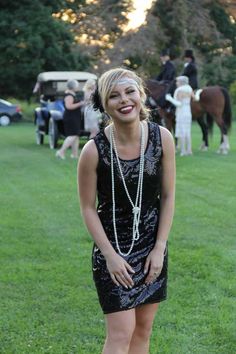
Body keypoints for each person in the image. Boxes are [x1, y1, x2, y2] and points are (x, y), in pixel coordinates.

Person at [78, 67, 175, 353]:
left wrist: (159, 248)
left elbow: (168, 196)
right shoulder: (94, 151)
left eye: (130, 91)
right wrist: (109, 256)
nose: (124, 100)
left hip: (152, 249)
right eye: (114, 96)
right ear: (105, 105)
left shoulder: (163, 138)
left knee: (143, 332)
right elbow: (87, 208)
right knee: (121, 335)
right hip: (113, 251)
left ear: (141, 94)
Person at [55, 79, 84, 160]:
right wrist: (80, 103)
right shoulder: (69, 96)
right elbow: (69, 106)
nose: (78, 87)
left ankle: (74, 155)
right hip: (71, 118)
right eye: (77, 85)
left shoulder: (72, 94)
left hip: (75, 117)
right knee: (72, 135)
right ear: (73, 86)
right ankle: (61, 152)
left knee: (76, 136)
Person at [166, 75, 194, 156]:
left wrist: (169, 98)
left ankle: (183, 151)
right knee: (187, 131)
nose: (176, 83)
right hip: (188, 111)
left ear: (181, 82)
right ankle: (189, 150)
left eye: (177, 82)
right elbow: (194, 97)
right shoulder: (189, 89)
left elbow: (179, 104)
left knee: (181, 131)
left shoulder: (180, 90)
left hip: (181, 112)